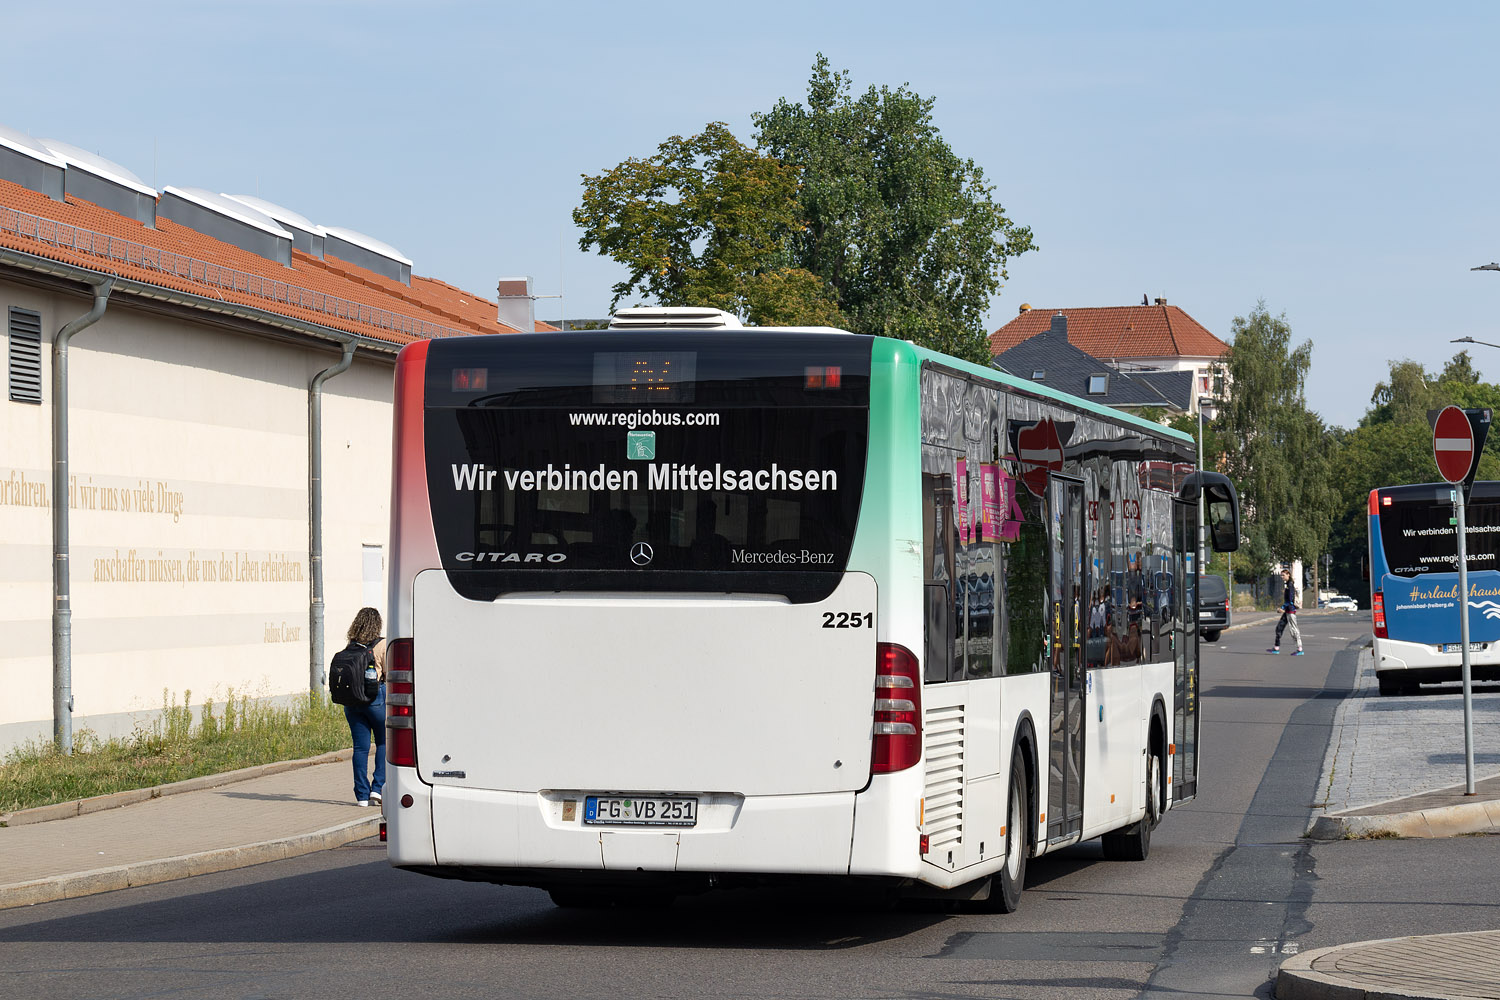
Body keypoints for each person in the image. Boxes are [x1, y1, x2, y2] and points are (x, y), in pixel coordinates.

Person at [341, 607, 387, 805]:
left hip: (352, 702)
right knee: (384, 742)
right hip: (375, 698)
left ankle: (361, 795)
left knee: (360, 748)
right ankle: (377, 788)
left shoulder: (351, 645)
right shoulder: (382, 644)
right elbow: (389, 672)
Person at [1268, 568, 1305, 655]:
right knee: (1279, 628)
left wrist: (1282, 608)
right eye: (1281, 575)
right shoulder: (1288, 585)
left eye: (1283, 575)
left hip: (1291, 611)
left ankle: (1300, 649)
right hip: (1287, 611)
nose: (1282, 577)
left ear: (1288, 575)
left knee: (1294, 630)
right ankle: (1276, 647)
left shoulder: (1290, 585)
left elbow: (1290, 600)